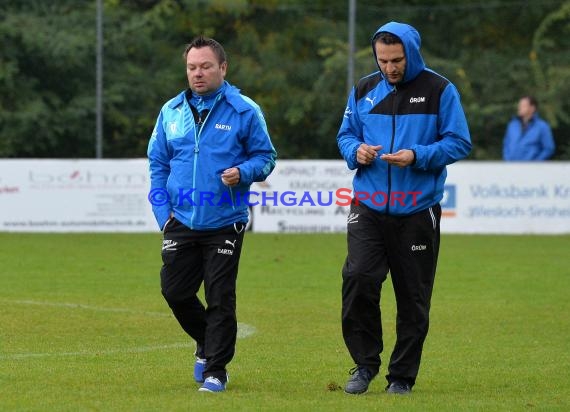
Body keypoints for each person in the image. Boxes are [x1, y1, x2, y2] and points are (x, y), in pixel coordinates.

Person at [336, 21, 471, 395]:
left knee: (413, 297)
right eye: (383, 60)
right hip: (369, 204)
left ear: (410, 53)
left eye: (396, 60)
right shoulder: (363, 89)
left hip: (417, 211)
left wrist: (418, 155)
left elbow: (460, 142)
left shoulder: (440, 89)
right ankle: (364, 365)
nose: (390, 68)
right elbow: (345, 135)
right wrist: (355, 151)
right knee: (359, 278)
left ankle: (402, 377)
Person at [147, 36, 276, 393]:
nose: (198, 73)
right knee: (174, 291)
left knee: (220, 295)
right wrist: (163, 213)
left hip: (225, 220)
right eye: (192, 67)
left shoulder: (244, 110)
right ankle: (207, 343)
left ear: (223, 68)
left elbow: (266, 158)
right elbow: (157, 162)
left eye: (205, 66)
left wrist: (244, 172)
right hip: (181, 220)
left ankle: (216, 369)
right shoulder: (171, 111)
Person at [503, 95, 555, 161]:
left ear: (532, 108)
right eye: (519, 105)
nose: (519, 108)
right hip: (511, 168)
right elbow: (506, 143)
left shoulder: (542, 126)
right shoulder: (512, 125)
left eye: (523, 106)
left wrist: (535, 163)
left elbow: (549, 149)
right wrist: (507, 159)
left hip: (531, 169)